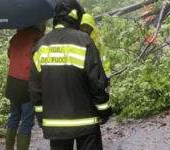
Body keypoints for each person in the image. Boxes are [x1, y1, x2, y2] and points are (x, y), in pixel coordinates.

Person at [29, 0, 113, 149]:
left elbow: (36, 87)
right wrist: (104, 108)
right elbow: (97, 81)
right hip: (86, 121)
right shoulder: (84, 41)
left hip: (56, 124)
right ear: (76, 17)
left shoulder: (41, 45)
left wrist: (41, 115)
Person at [5, 20, 47, 150]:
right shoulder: (38, 40)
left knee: (14, 117)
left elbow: (10, 55)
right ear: (39, 24)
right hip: (27, 85)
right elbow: (41, 65)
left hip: (12, 83)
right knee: (27, 121)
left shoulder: (16, 38)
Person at [80, 13, 111, 96]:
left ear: (92, 27)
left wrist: (107, 80)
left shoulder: (98, 44)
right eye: (83, 26)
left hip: (96, 80)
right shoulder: (75, 42)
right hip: (80, 81)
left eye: (88, 26)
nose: (85, 29)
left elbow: (104, 62)